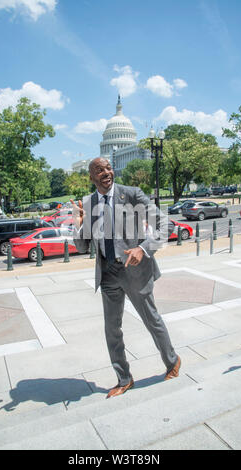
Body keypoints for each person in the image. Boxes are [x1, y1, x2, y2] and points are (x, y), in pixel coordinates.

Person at [71, 157, 181, 399]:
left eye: (108, 168)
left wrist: (143, 248)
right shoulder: (88, 203)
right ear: (91, 177)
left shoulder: (132, 195)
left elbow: (166, 224)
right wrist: (78, 224)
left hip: (134, 270)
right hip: (108, 273)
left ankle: (172, 361)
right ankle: (124, 378)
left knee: (151, 320)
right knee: (112, 330)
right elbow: (81, 247)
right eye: (99, 170)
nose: (106, 172)